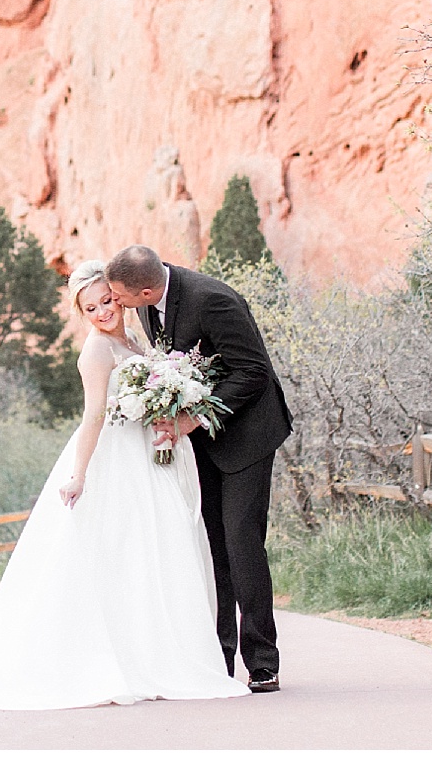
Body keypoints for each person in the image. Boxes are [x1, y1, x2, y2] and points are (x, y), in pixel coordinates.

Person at [0, 260, 249, 710]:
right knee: (124, 552)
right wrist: (78, 474)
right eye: (91, 307)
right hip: (116, 460)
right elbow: (93, 415)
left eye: (106, 301)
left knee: (155, 550)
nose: (103, 312)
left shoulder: (135, 336)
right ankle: (129, 660)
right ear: (82, 313)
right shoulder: (96, 352)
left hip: (151, 456)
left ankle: (159, 652)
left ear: (118, 297)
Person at [106, 243, 292, 694]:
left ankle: (262, 662)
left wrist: (193, 417)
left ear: (146, 289)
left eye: (121, 297)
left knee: (242, 543)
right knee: (212, 549)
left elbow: (253, 373)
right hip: (202, 444)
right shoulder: (149, 306)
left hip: (248, 436)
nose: (118, 305)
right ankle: (219, 659)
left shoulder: (214, 300)